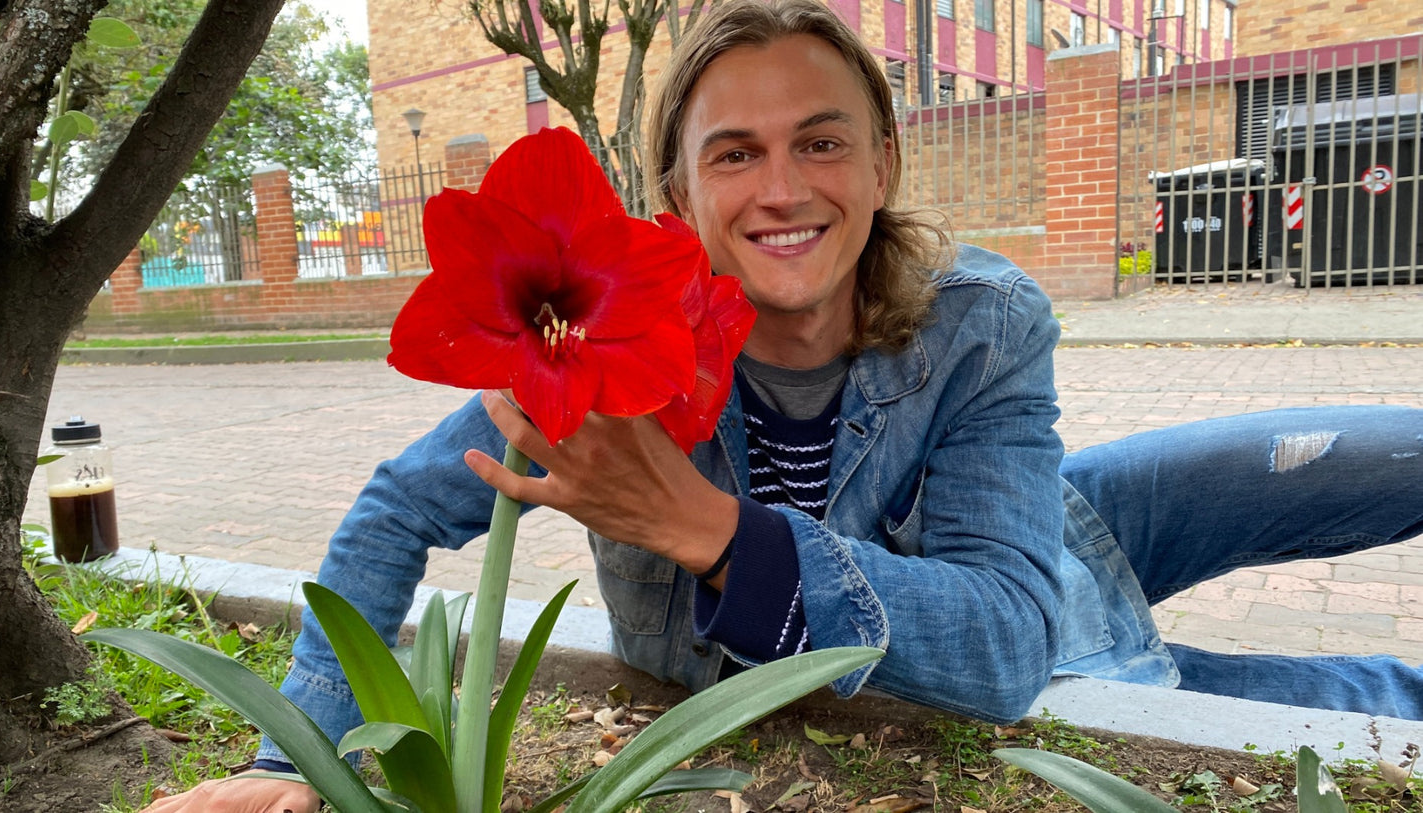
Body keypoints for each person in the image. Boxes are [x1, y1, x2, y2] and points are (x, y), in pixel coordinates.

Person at [141, 0, 1423, 809]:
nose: (781, 188)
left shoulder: (983, 318)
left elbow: (999, 587)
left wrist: (706, 528)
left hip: (1056, 539)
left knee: (1381, 449)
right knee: (1331, 711)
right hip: (1040, 639)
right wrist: (284, 763)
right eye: (733, 153)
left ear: (880, 162)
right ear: (678, 192)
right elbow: (993, 665)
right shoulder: (607, 347)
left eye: (820, 140)